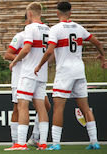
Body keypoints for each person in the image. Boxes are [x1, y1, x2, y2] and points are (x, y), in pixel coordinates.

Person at [34, 1, 105, 150]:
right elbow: (97, 42)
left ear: (57, 13)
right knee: (86, 108)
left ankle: (56, 144)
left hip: (65, 72)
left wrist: (39, 65)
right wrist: (103, 58)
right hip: (79, 71)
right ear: (70, 13)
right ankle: (94, 142)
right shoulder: (79, 28)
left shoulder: (55, 29)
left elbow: (49, 51)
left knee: (59, 107)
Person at [9, 2, 50, 150]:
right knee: (41, 107)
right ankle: (43, 142)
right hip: (42, 73)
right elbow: (51, 54)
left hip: (28, 73)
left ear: (30, 14)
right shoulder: (48, 29)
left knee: (22, 105)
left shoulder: (30, 28)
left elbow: (26, 49)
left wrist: (15, 61)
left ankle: (20, 143)